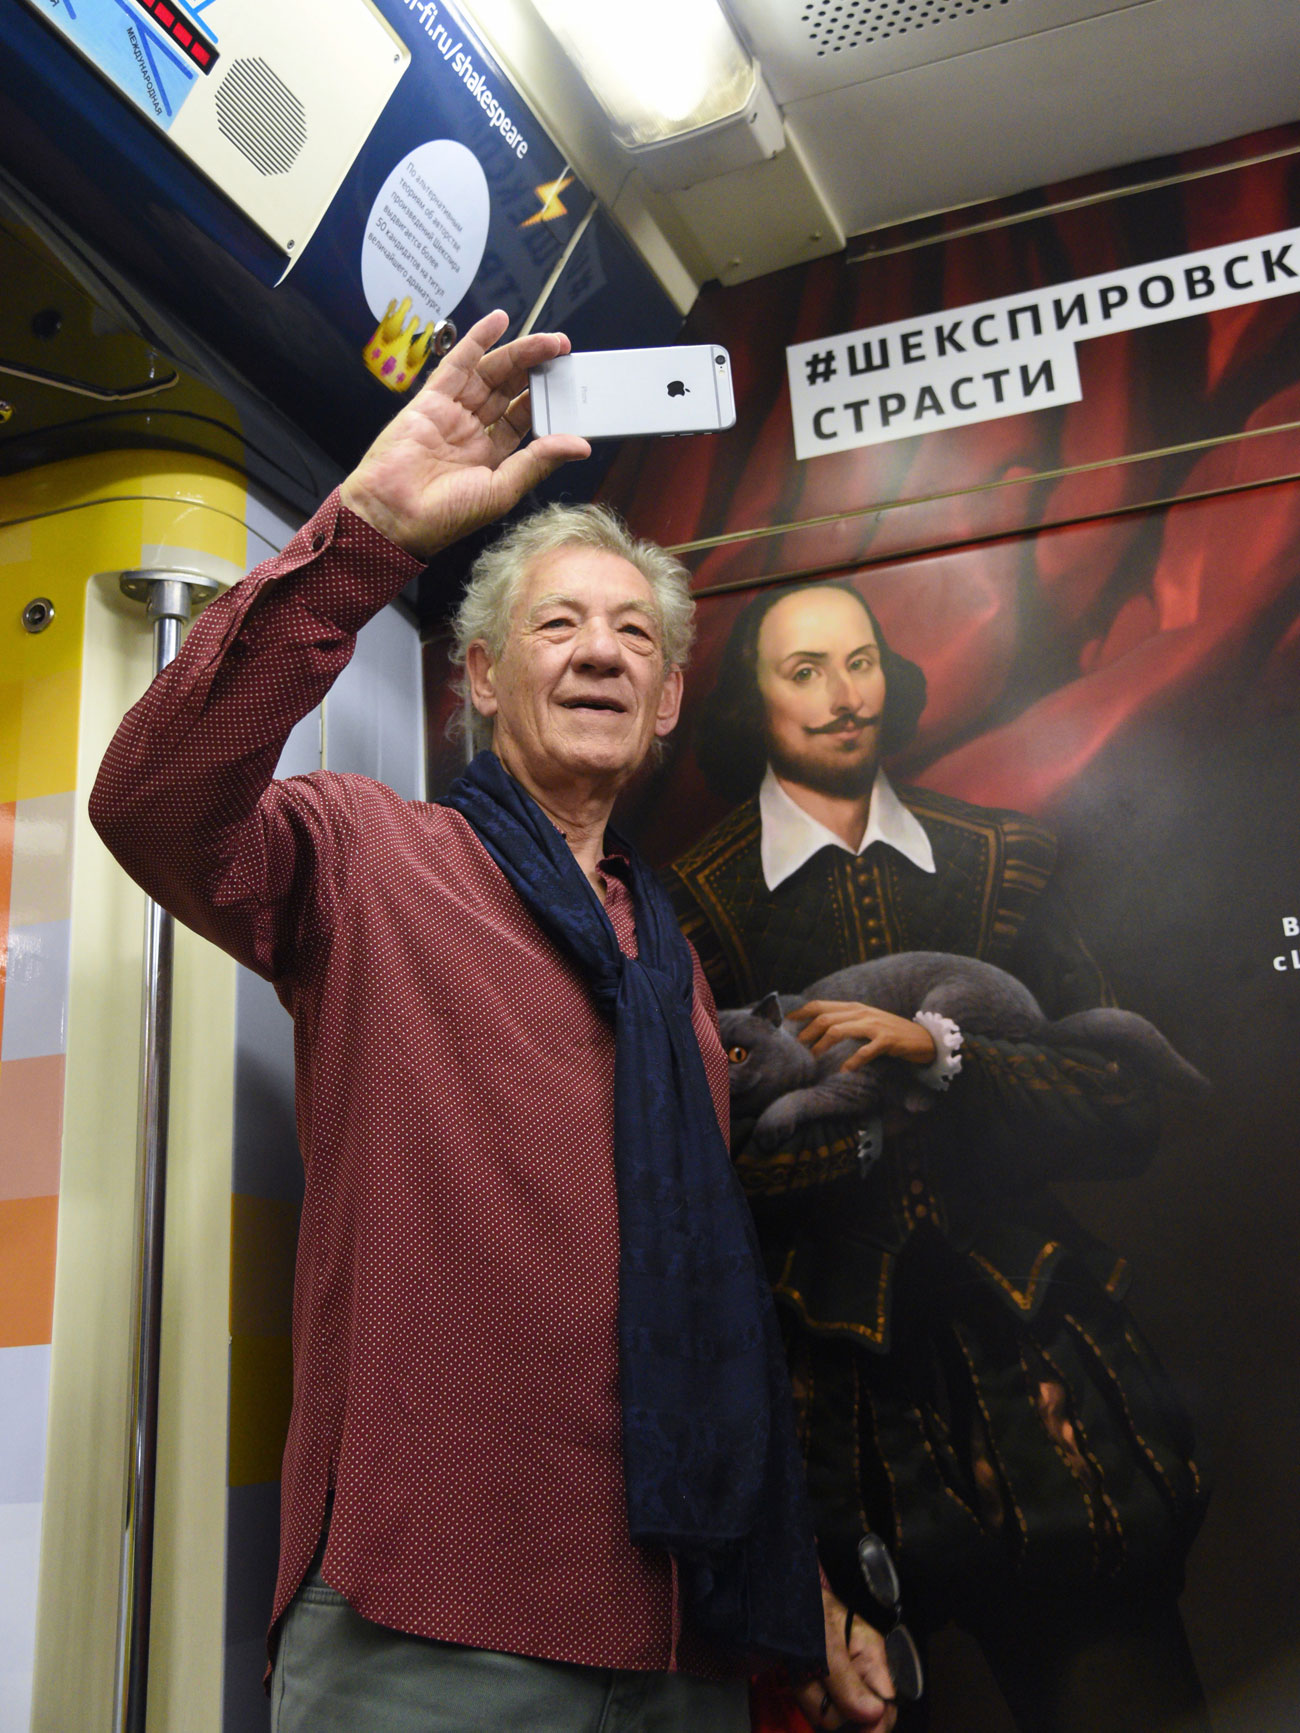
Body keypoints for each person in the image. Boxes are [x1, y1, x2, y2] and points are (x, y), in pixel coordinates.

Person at [89, 312, 843, 1732]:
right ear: (481, 679)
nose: (601, 652)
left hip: (687, 1630)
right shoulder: (369, 858)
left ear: (672, 698)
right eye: (556, 624)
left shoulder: (670, 957)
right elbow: (150, 799)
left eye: (635, 634)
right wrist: (370, 525)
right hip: (430, 1620)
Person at [667, 581, 1209, 1732]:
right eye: (801, 669)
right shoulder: (691, 903)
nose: (839, 695)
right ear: (747, 699)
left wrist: (940, 1054)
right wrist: (867, 1123)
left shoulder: (1001, 860)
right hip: (823, 1426)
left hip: (1046, 1380)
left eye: (858, 662)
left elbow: (1123, 1104)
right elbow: (686, 1182)